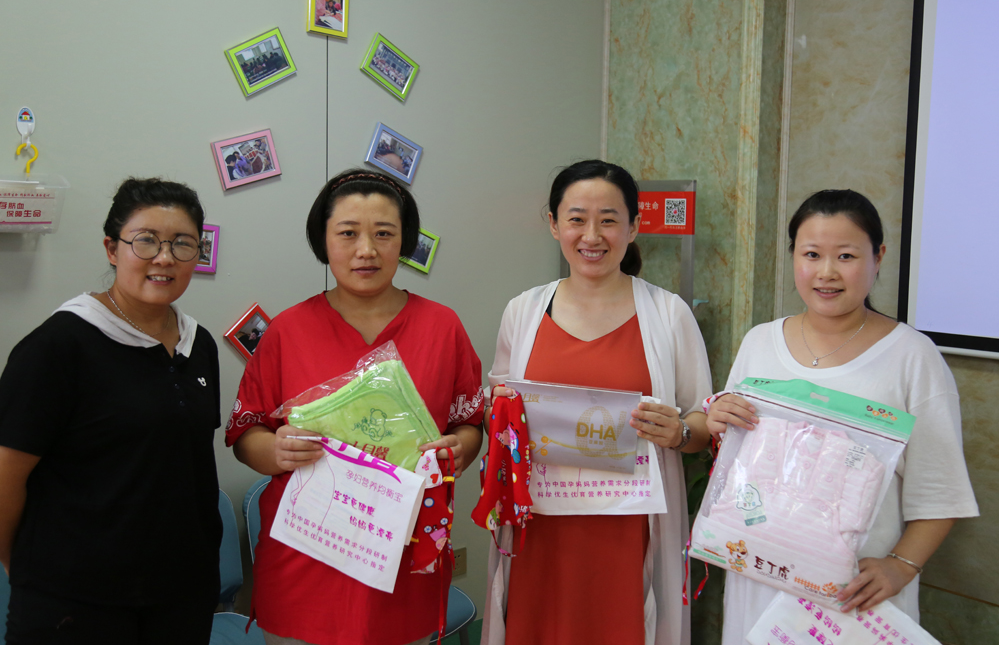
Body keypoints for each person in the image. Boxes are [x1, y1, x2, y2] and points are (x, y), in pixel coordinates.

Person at [706, 190, 978, 643]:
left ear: (878, 257)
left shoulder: (912, 356)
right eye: (811, 254)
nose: (827, 272)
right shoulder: (760, 341)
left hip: (853, 598)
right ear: (794, 255)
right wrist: (721, 421)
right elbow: (741, 460)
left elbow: (940, 491)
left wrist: (901, 566)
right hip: (757, 575)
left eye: (846, 256)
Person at [226, 168, 484, 645]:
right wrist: (275, 451)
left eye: (383, 234)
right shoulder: (287, 331)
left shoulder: (442, 327)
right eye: (348, 233)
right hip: (305, 556)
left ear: (404, 241)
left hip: (402, 555)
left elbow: (470, 424)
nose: (366, 250)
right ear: (323, 240)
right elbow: (245, 435)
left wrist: (459, 449)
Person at [483, 160, 714, 645]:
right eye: (576, 219)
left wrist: (679, 432)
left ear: (634, 226)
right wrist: (500, 411)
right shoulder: (523, 312)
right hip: (539, 525)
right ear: (554, 224)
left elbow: (702, 423)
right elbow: (495, 411)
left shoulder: (668, 314)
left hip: (629, 529)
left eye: (608, 220)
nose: (592, 236)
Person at [0, 178, 222, 644]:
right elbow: (5, 476)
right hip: (75, 601)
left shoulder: (198, 344)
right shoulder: (59, 345)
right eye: (146, 240)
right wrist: (24, 569)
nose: (164, 257)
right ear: (112, 249)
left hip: (181, 593)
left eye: (182, 243)